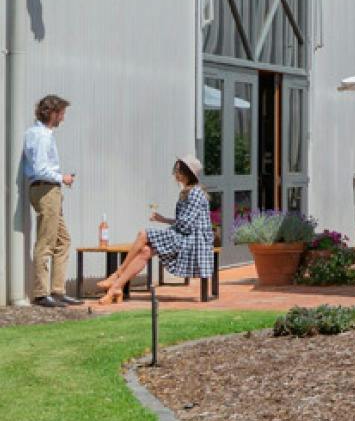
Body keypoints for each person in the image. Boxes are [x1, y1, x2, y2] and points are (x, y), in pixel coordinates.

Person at [96, 157, 214, 302]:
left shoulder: (195, 193)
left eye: (178, 170)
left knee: (143, 233)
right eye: (174, 170)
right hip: (184, 235)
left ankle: (118, 273)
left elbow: (186, 226)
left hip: (192, 240)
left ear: (187, 173)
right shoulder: (186, 192)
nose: (175, 173)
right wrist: (162, 219)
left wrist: (168, 229)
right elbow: (184, 221)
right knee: (145, 251)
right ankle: (116, 288)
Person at [24, 95, 80, 308]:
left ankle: (57, 290)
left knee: (63, 240)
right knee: (46, 241)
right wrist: (62, 178)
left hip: (46, 190)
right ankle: (40, 294)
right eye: (62, 113)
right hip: (46, 190)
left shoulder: (35, 133)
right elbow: (40, 169)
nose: (63, 118)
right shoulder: (43, 136)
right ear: (52, 113)